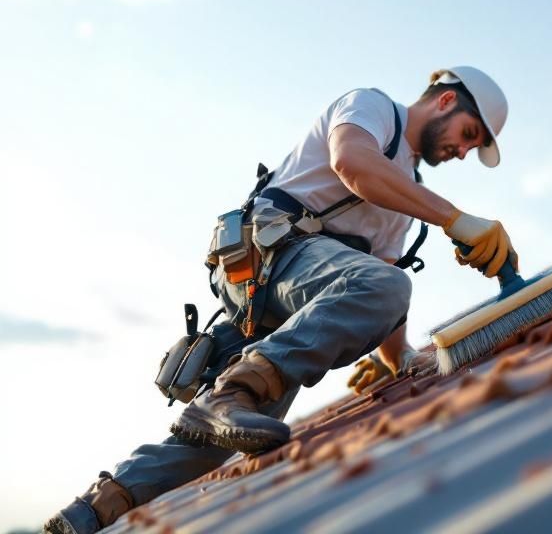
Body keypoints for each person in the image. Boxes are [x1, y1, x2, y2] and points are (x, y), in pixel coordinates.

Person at [44, 66, 516, 534]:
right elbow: (352, 163)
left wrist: (399, 357)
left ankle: (88, 514)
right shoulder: (374, 109)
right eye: (469, 134)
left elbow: (381, 281)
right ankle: (233, 391)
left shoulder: (407, 198)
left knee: (220, 436)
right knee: (377, 293)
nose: (463, 150)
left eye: (473, 147)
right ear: (447, 101)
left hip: (297, 299)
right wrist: (453, 218)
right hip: (268, 257)